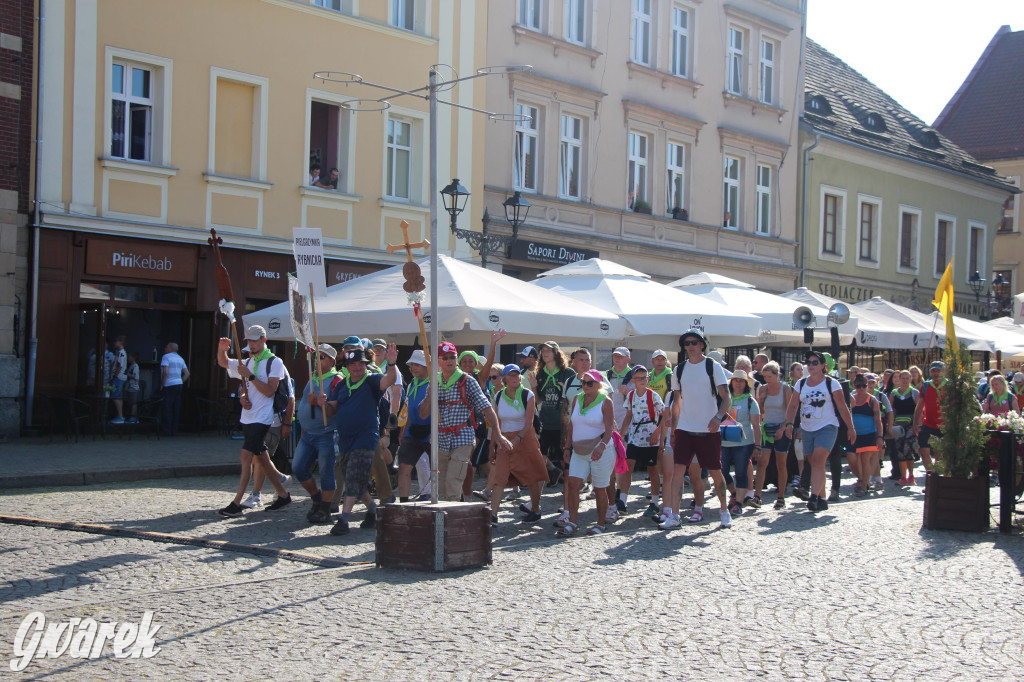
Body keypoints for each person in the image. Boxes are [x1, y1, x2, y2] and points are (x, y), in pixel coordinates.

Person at [318, 344, 400, 535]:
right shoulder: (340, 385)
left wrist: (392, 363)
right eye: (353, 364)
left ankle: (344, 519)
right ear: (346, 366)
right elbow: (332, 410)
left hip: (366, 438)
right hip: (346, 439)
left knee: (355, 474)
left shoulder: (371, 381)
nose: (357, 367)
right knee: (352, 476)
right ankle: (372, 510)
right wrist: (323, 404)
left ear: (365, 365)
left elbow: (389, 380)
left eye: (360, 364)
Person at [660, 329, 733, 530]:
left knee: (716, 472)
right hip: (684, 428)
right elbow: (677, 402)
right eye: (687, 343)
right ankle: (675, 515)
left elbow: (727, 397)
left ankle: (724, 510)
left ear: (702, 344)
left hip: (708, 429)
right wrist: (673, 430)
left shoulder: (712, 366)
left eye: (694, 342)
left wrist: (718, 417)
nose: (690, 346)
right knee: (677, 473)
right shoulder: (679, 370)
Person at [216, 326, 292, 517]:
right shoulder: (247, 361)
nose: (251, 343)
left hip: (263, 418)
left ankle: (236, 503)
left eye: (255, 340)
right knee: (261, 457)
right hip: (248, 416)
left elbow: (269, 391)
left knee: (246, 457)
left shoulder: (274, 362)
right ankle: (282, 491)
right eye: (249, 340)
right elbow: (224, 363)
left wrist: (249, 375)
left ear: (263, 340)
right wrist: (222, 348)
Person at [424, 342, 511, 502]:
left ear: (456, 359)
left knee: (453, 483)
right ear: (439, 361)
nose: (449, 360)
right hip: (440, 440)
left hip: (462, 437)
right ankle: (449, 514)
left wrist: (498, 434)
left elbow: (486, 408)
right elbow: (423, 413)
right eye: (445, 357)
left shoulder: (468, 381)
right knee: (441, 486)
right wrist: (429, 397)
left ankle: (451, 522)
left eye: (452, 356)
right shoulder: (434, 381)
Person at [783, 350, 856, 513]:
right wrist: (788, 423)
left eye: (815, 362)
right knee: (815, 463)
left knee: (818, 459)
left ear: (823, 366)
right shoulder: (800, 384)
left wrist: (851, 427)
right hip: (807, 427)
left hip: (827, 426)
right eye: (808, 363)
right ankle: (822, 498)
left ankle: (813, 496)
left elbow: (843, 407)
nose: (811, 366)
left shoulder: (832, 384)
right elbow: (793, 405)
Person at [558, 369, 616, 536]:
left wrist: (602, 446)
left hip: (600, 451)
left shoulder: (605, 401)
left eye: (590, 383)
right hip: (579, 450)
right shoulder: (577, 399)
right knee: (573, 484)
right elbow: (572, 425)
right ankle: (573, 522)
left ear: (599, 384)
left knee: (599, 488)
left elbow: (610, 428)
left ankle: (600, 524)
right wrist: (567, 447)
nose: (586, 386)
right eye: (583, 382)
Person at [489, 364, 549, 525]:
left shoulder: (527, 395)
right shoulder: (499, 396)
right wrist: (493, 446)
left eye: (516, 375)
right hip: (504, 441)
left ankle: (535, 509)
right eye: (511, 375)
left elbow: (529, 423)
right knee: (499, 478)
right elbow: (496, 424)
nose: (514, 378)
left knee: (532, 478)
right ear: (505, 379)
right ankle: (493, 515)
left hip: (525, 440)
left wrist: (516, 440)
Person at [290, 344, 342, 523]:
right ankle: (316, 498)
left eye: (321, 357)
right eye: (316, 357)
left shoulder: (336, 381)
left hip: (326, 433)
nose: (316, 360)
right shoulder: (312, 378)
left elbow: (333, 411)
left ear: (331, 361)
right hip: (308, 434)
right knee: (298, 467)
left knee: (326, 471)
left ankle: (326, 508)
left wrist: (318, 403)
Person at [241, 358, 295, 509]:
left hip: (273, 420)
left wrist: (287, 422)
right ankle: (281, 485)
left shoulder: (277, 366)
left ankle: (257, 494)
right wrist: (242, 399)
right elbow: (245, 391)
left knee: (260, 457)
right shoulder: (249, 365)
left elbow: (290, 396)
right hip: (254, 419)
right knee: (260, 457)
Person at [617, 365, 667, 514]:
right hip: (634, 436)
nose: (642, 380)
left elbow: (665, 415)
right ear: (633, 380)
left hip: (651, 437)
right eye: (639, 378)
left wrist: (657, 434)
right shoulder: (631, 396)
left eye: (644, 377)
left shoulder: (653, 396)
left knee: (652, 470)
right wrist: (621, 435)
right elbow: (628, 416)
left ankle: (655, 502)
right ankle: (622, 501)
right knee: (628, 467)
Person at [721, 370, 761, 516]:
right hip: (724, 441)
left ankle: (738, 503)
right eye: (736, 380)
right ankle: (734, 493)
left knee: (741, 472)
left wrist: (758, 445)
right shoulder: (724, 398)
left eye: (741, 381)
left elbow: (756, 425)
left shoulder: (750, 401)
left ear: (746, 384)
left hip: (744, 441)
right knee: (722, 471)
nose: (738, 383)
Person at [755, 361, 793, 509]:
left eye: (770, 376)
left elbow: (790, 411)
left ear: (777, 375)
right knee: (762, 462)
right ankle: (757, 496)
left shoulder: (785, 389)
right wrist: (762, 400)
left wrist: (783, 428)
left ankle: (781, 496)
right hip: (767, 427)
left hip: (781, 426)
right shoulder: (763, 388)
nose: (767, 379)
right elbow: (760, 411)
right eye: (764, 376)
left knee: (780, 463)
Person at [396, 350, 431, 502]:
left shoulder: (434, 383)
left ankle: (440, 497)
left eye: (417, 364)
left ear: (426, 366)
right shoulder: (412, 383)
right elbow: (409, 407)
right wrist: (404, 429)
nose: (413, 368)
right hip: (412, 431)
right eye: (412, 365)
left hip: (432, 431)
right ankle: (403, 502)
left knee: (437, 466)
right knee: (404, 466)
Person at [605, 346, 634, 521]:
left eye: (620, 357)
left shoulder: (635, 374)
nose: (617, 359)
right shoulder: (607, 375)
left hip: (628, 424)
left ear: (628, 359)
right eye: (615, 356)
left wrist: (629, 392)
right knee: (610, 461)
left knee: (624, 461)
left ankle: (621, 498)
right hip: (609, 424)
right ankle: (613, 495)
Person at [849, 373, 884, 497]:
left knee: (865, 459)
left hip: (869, 434)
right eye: (859, 386)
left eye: (864, 386)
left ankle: (863, 486)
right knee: (851, 459)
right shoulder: (850, 399)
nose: (862, 389)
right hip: (854, 434)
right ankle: (862, 479)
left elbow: (878, 420)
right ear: (854, 385)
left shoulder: (873, 400)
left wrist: (880, 437)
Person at [912, 360, 946, 473]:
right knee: (923, 450)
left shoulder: (949, 385)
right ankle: (931, 476)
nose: (936, 374)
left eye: (938, 371)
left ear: (943, 372)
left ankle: (938, 478)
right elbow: (919, 406)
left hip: (943, 425)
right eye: (933, 371)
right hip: (928, 424)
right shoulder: (926, 385)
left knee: (939, 453)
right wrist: (916, 423)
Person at [889, 370, 920, 486]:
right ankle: (903, 476)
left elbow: (919, 409)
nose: (905, 381)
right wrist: (890, 425)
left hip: (911, 424)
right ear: (899, 379)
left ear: (911, 379)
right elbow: (890, 410)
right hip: (898, 425)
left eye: (907, 378)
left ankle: (911, 475)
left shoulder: (914, 392)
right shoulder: (894, 393)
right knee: (899, 451)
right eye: (903, 378)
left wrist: (918, 425)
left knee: (908, 449)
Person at [159, 342, 189, 437]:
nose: (165, 348)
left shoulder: (166, 357)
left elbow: (165, 372)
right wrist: (180, 381)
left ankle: (166, 430)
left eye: (166, 346)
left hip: (169, 384)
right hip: (178, 384)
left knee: (167, 407)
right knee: (176, 407)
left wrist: (162, 384)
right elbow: (187, 373)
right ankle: (174, 430)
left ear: (170, 348)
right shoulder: (180, 358)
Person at [109, 336, 128, 423]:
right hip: (120, 378)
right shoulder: (120, 353)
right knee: (119, 397)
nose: (114, 343)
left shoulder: (121, 353)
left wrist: (115, 376)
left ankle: (120, 416)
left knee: (115, 396)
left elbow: (119, 366)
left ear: (120, 342)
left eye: (116, 341)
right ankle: (120, 415)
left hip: (118, 378)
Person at [124, 352, 140, 424]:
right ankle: (130, 416)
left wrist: (128, 374)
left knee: (133, 402)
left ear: (133, 358)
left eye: (129, 357)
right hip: (129, 387)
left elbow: (136, 377)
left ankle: (133, 417)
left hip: (133, 387)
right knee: (130, 402)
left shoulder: (135, 366)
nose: (128, 358)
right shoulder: (131, 366)